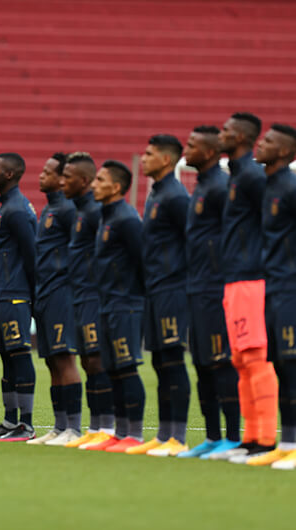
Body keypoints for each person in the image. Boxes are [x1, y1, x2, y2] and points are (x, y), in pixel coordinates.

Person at [213, 112, 278, 462]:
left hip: (251, 278)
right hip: (234, 278)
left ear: (240, 137)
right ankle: (250, 440)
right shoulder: (237, 176)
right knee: (240, 359)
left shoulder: (253, 177)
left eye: (225, 130)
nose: (220, 134)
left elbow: (273, 226)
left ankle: (266, 440)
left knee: (255, 357)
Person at [178, 126, 241, 459]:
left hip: (216, 289)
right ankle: (213, 436)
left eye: (192, 145)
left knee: (220, 362)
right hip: (196, 287)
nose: (187, 149)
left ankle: (232, 436)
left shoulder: (221, 187)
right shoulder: (202, 186)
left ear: (212, 151)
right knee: (202, 364)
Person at [135, 134, 191, 457]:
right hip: (154, 289)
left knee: (172, 360)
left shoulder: (176, 197)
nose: (143, 158)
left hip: (172, 289)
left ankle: (178, 437)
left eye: (149, 153)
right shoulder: (155, 193)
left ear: (166, 160)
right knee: (158, 361)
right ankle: (164, 433)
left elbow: (190, 241)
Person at [88, 160, 147, 453]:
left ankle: (134, 435)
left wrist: (133, 299)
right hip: (107, 304)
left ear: (117, 187)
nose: (94, 184)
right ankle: (120, 432)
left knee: (126, 369)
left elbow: (142, 261)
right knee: (111, 369)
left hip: (126, 305)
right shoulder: (106, 217)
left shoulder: (127, 219)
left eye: (100, 179)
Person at [59, 153, 116, 449]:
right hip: (79, 296)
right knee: (87, 360)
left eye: (67, 177)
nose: (61, 182)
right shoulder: (81, 212)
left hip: (95, 296)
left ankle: (105, 425)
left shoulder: (95, 213)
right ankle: (95, 427)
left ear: (83, 181)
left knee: (96, 360)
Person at [248, 123, 296, 467]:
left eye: (267, 141)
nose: (259, 144)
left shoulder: (291, 189)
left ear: (283, 152)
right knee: (280, 364)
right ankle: (288, 441)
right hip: (271, 287)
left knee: (292, 365)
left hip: (290, 289)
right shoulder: (268, 188)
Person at [0, 153, 37, 442]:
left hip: (15, 295)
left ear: (11, 175)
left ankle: (26, 424)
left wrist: (33, 296)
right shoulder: (6, 207)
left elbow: (31, 255)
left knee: (18, 354)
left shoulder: (16, 210)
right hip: (2, 294)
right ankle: (10, 420)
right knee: (5, 356)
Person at [28, 153, 82, 446]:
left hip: (63, 292)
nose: (41, 176)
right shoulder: (49, 209)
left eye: (48, 172)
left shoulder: (68, 210)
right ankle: (59, 426)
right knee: (50, 360)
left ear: (63, 178)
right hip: (45, 293)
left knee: (64, 357)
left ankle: (73, 427)